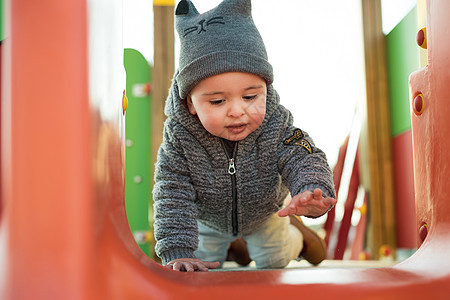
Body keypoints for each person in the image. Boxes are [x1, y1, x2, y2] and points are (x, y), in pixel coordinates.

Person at [152, 0, 337, 272]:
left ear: (266, 88)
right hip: (208, 221)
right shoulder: (180, 139)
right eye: (217, 101)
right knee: (198, 265)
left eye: (250, 96)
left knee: (273, 262)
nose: (237, 111)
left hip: (265, 214)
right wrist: (178, 250)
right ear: (190, 103)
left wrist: (310, 187)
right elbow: (171, 190)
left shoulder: (276, 122)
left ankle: (297, 238)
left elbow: (302, 153)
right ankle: (234, 246)